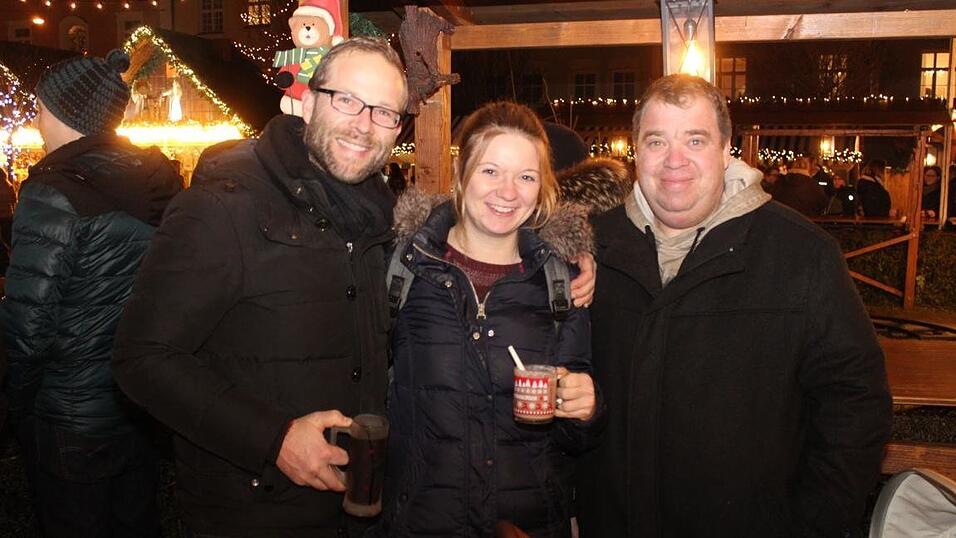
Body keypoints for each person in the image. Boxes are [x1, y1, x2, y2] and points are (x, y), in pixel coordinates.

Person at [111, 38, 595, 537]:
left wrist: (568, 248)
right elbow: (140, 358)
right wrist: (272, 440)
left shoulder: (386, 229)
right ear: (309, 100)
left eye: (384, 112)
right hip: (253, 511)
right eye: (347, 100)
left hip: (362, 511)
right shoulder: (223, 209)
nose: (363, 125)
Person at [576, 74, 892, 538]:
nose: (674, 160)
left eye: (695, 139)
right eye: (656, 141)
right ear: (636, 153)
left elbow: (856, 403)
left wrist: (815, 522)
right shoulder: (592, 247)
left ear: (727, 151)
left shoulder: (800, 254)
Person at [376, 102, 605, 537]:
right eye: (490, 171)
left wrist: (587, 409)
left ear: (542, 188)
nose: (508, 191)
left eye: (526, 177)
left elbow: (576, 441)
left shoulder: (562, 283)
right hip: (421, 524)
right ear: (462, 173)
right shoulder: (405, 270)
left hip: (527, 525)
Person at [0, 49, 182, 537]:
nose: (37, 120)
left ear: (66, 113)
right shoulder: (159, 182)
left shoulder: (52, 193)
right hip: (138, 402)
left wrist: (17, 406)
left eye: (40, 108)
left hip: (69, 416)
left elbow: (26, 325)